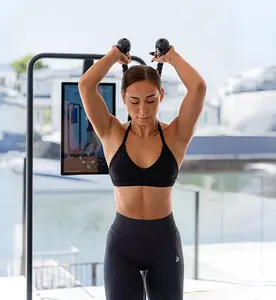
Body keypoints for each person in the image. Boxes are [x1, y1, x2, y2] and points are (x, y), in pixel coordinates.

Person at [78, 42, 206, 300]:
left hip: (164, 244)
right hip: (122, 246)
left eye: (151, 100)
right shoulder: (111, 132)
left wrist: (173, 57)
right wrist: (114, 55)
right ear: (123, 99)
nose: (143, 110)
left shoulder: (176, 135)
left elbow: (198, 88)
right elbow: (86, 85)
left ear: (161, 96)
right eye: (134, 101)